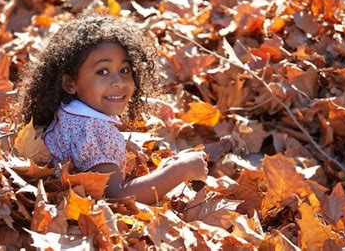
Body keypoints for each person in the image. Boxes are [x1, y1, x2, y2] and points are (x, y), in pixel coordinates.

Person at [17, 13, 208, 204]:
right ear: (70, 84)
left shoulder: (67, 111)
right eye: (103, 71)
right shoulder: (96, 131)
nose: (119, 82)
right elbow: (116, 196)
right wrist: (180, 170)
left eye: (124, 70)